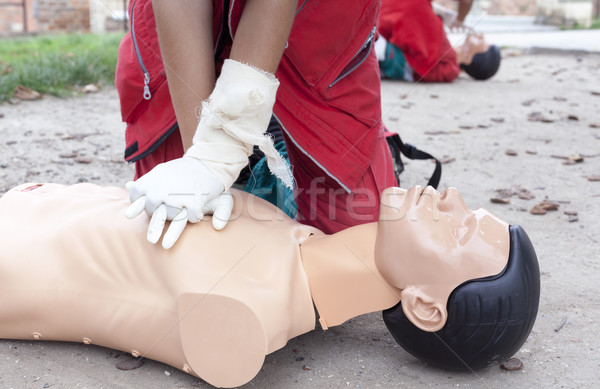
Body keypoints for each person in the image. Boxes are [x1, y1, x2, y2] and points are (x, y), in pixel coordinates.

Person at [0, 182, 540, 388]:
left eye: (457, 228)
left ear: (424, 307)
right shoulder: (288, 236)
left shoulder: (245, 322)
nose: (450, 200)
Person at [116, 0, 398, 250]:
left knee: (364, 244)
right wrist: (203, 158)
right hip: (194, 47)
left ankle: (267, 141)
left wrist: (218, 152)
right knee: (173, 236)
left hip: (318, 45)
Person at [376, 0, 501, 82]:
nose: (481, 35)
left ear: (468, 58)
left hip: (387, 53)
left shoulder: (449, 64)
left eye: (483, 42)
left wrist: (451, 19)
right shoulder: (445, 52)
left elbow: (414, 12)